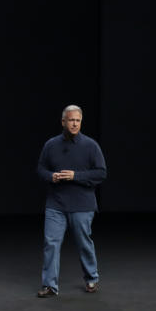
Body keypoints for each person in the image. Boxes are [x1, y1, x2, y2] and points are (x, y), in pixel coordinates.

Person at [36, 105, 107, 298]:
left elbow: (101, 173)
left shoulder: (90, 145)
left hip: (82, 205)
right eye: (71, 120)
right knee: (51, 242)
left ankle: (91, 278)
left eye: (77, 120)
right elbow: (40, 169)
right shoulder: (51, 145)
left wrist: (76, 176)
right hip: (56, 204)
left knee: (84, 242)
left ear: (81, 122)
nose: (74, 123)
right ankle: (50, 285)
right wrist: (51, 176)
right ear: (63, 122)